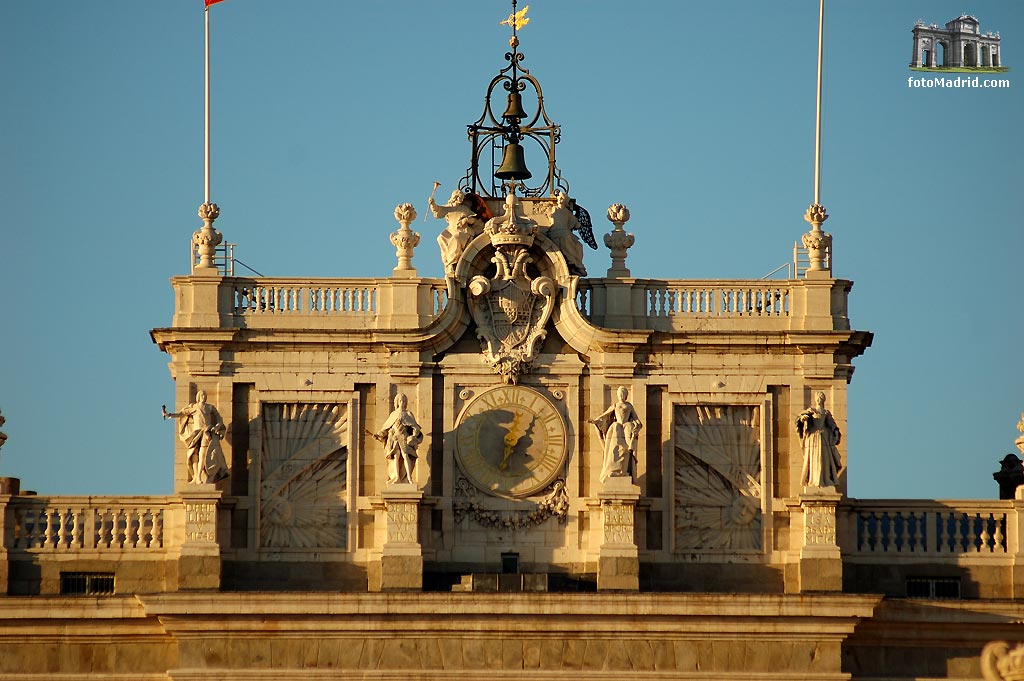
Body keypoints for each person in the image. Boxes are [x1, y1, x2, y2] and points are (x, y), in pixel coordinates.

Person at [163, 390, 230, 485]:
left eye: (205, 395)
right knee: (193, 454)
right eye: (202, 395)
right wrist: (169, 415)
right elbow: (181, 413)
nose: (203, 396)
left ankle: (198, 476)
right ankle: (195, 477)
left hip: (206, 432)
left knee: (202, 454)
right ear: (198, 396)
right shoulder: (194, 407)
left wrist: (217, 426)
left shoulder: (210, 407)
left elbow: (219, 419)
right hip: (196, 434)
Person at [590, 386, 643, 483]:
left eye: (623, 394)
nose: (621, 396)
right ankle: (614, 469)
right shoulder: (615, 405)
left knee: (627, 449)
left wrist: (638, 425)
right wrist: (596, 421)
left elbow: (635, 418)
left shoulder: (629, 406)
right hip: (617, 427)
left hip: (627, 426)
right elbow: (605, 415)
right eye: (620, 394)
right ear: (618, 395)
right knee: (614, 448)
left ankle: (623, 471)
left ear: (626, 395)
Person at [796, 391, 842, 488]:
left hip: (824, 438)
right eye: (818, 398)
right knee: (814, 459)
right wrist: (803, 418)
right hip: (813, 438)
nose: (819, 400)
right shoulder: (811, 411)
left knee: (824, 459)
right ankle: (814, 480)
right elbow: (801, 418)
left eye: (821, 398)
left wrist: (836, 432)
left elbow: (832, 424)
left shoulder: (826, 412)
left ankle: (825, 480)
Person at [374, 393, 422, 485]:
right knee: (396, 457)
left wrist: (413, 436)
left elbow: (416, 427)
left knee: (405, 456)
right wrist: (379, 435)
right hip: (394, 438)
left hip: (403, 437)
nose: (402, 402)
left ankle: (409, 478)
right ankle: (397, 477)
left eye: (403, 400)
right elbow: (386, 428)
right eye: (400, 400)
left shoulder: (408, 413)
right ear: (397, 402)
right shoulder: (393, 414)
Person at [429, 189, 481, 275]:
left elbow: (474, 219)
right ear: (455, 197)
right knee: (440, 238)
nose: (461, 199)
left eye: (462, 198)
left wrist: (466, 220)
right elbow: (438, 211)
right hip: (451, 229)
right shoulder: (449, 208)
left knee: (455, 238)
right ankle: (448, 260)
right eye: (460, 197)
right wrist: (432, 204)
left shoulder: (464, 209)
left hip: (463, 232)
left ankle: (452, 263)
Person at [544, 191, 587, 276]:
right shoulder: (553, 209)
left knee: (579, 246)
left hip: (564, 233)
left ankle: (577, 265)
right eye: (559, 198)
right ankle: (574, 263)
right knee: (566, 238)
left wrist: (580, 224)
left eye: (562, 198)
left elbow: (575, 223)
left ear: (565, 201)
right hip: (556, 233)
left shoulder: (567, 213)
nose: (560, 200)